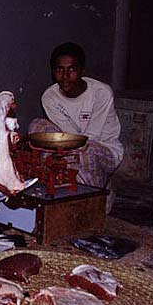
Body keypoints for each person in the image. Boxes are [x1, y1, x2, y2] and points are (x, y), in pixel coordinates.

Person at [28, 42, 123, 200]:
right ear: (53, 72)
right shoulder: (49, 97)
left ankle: (99, 194)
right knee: (36, 126)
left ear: (82, 70)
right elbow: (67, 135)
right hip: (73, 144)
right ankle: (63, 183)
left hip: (104, 148)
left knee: (86, 151)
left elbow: (91, 137)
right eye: (59, 69)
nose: (65, 76)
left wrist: (61, 155)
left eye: (71, 69)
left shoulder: (101, 93)